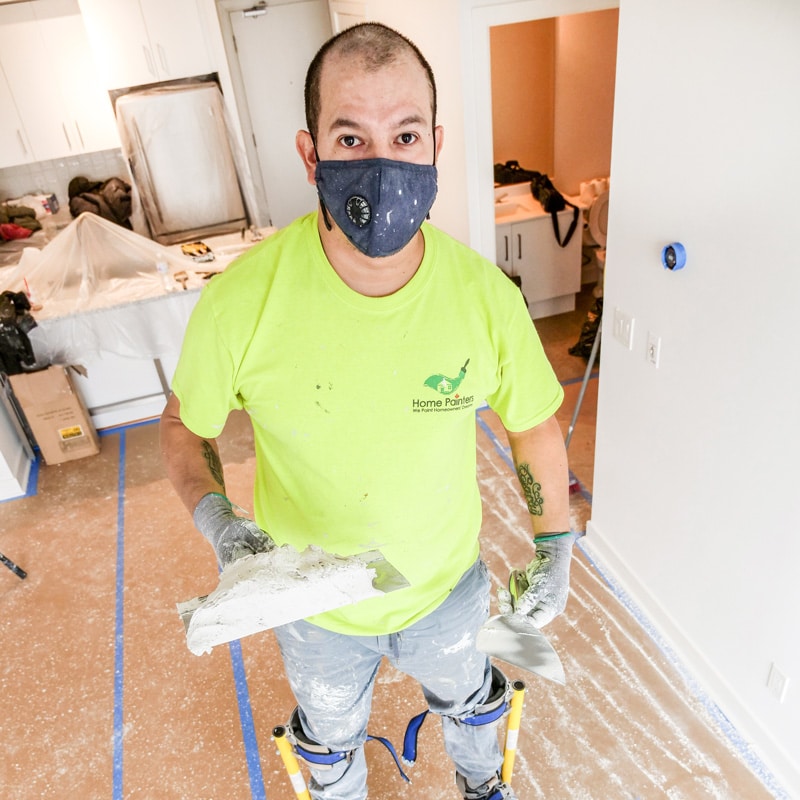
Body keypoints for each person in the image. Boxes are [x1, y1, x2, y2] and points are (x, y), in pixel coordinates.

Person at [160, 22, 575, 800]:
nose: (382, 163)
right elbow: (186, 424)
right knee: (329, 737)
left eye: (405, 134)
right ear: (310, 151)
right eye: (350, 137)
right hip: (313, 604)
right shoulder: (240, 303)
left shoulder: (485, 299)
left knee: (472, 708)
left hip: (445, 586)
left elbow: (531, 421)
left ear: (435, 146)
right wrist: (219, 520)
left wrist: (556, 541)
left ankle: (484, 786)